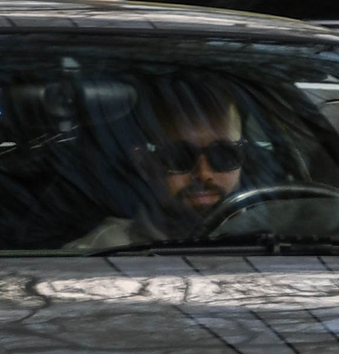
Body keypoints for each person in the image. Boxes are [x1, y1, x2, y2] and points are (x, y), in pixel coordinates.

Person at [65, 80, 248, 251]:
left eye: (223, 155)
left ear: (243, 154)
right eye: (180, 157)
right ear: (145, 163)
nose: (204, 174)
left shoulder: (272, 231)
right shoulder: (102, 253)